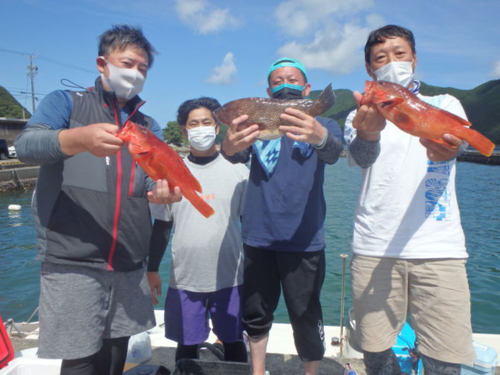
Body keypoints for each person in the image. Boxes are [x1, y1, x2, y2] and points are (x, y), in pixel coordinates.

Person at [14, 25, 181, 375]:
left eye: (143, 69)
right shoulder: (65, 103)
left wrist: (162, 189)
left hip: (128, 257)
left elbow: (149, 178)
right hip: (72, 255)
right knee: (80, 359)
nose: (135, 73)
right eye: (127, 63)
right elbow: (27, 147)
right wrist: (79, 138)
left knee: (117, 350)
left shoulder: (146, 124)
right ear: (102, 64)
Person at [344, 24, 475, 375]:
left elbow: (455, 147)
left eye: (399, 54)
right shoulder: (358, 114)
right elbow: (360, 158)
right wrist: (368, 132)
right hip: (375, 245)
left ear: (414, 59)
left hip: (439, 247)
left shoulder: (446, 103)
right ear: (371, 70)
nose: (391, 62)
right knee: (374, 350)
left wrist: (447, 150)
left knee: (445, 357)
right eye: (380, 58)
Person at [221, 57, 344, 375]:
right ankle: (258, 371)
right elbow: (233, 154)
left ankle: (311, 372)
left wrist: (317, 134)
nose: (284, 84)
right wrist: (229, 144)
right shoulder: (255, 126)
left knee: (305, 313)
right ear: (267, 91)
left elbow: (333, 153)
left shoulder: (325, 124)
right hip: (258, 235)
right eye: (277, 81)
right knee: (256, 311)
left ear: (306, 88)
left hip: (305, 239)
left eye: (291, 79)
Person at [147, 97, 249, 365]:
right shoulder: (169, 171)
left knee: (233, 340)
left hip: (230, 276)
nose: (200, 128)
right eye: (194, 123)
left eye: (207, 122)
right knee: (187, 343)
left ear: (217, 128)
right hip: (186, 277)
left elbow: (249, 225)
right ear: (184, 130)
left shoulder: (238, 171)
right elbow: (162, 225)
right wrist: (152, 268)